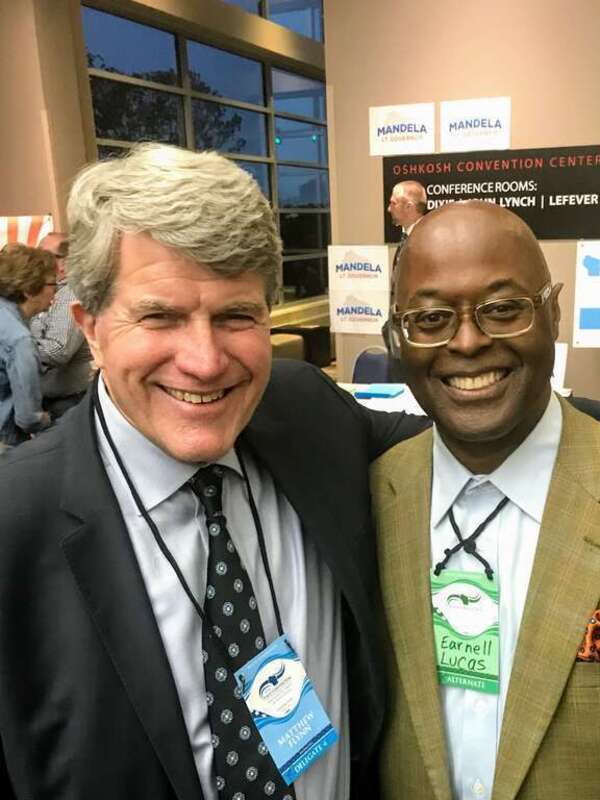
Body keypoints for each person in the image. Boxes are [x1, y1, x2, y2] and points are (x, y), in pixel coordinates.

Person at [0, 143, 427, 800]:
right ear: (90, 327)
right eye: (160, 316)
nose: (204, 362)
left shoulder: (307, 413)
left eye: (235, 316)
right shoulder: (14, 524)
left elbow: (468, 433)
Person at [372, 200, 600, 800]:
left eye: (502, 310)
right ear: (399, 335)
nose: (468, 342)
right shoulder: (369, 498)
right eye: (430, 320)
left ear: (552, 313)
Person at [30, 232, 92, 418]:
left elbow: (58, 350)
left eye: (43, 257)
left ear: (64, 262)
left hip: (68, 404)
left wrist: (17, 350)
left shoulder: (70, 294)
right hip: (53, 402)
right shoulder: (50, 291)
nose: (35, 263)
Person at [0, 243, 55, 447]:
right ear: (30, 289)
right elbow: (27, 418)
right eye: (52, 285)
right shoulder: (19, 340)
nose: (55, 293)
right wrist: (51, 420)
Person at [382, 180, 427, 382]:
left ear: (408, 206)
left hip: (416, 331)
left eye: (393, 203)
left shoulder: (427, 239)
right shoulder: (406, 237)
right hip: (400, 328)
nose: (389, 208)